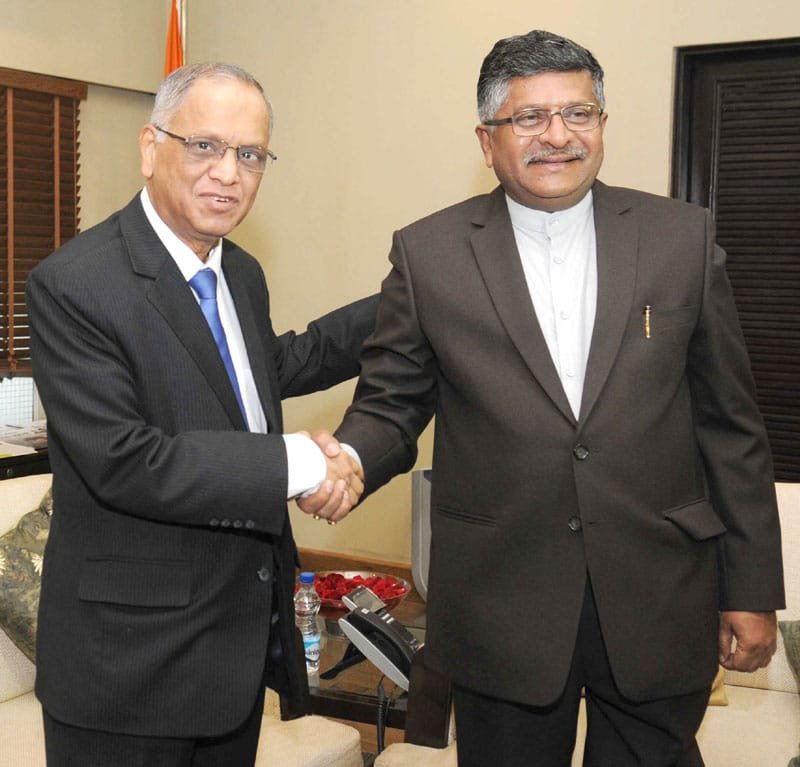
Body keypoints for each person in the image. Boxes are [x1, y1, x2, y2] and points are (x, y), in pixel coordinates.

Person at [301, 30, 785, 766]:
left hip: (659, 589)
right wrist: (352, 461)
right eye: (529, 118)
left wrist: (752, 588)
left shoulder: (679, 238)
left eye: (579, 113)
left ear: (601, 125)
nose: (557, 136)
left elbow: (731, 428)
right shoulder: (429, 253)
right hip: (502, 600)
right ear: (487, 140)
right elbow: (392, 402)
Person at [26, 62, 373, 767]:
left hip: (231, 656)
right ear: (151, 147)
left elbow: (260, 373)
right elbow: (128, 459)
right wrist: (304, 460)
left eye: (250, 155)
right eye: (205, 146)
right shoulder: (74, 284)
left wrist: (412, 300)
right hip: (126, 675)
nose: (229, 173)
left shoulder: (238, 272)